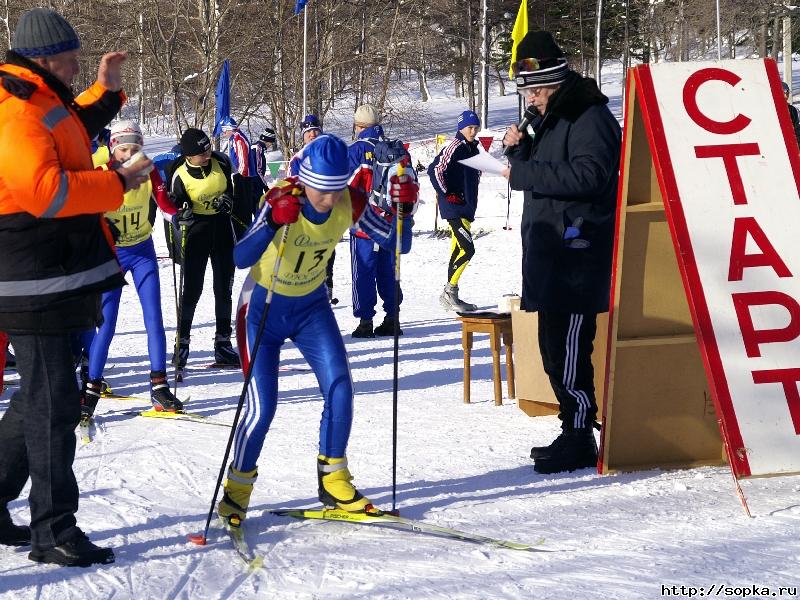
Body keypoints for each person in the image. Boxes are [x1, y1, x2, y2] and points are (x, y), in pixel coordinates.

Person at [0, 7, 151, 566]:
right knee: (53, 404)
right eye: (73, 57)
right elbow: (45, 191)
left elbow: (67, 134)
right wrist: (117, 182)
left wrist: (104, 93)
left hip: (50, 273)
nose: (78, 63)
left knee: (40, 398)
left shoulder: (41, 96)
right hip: (31, 276)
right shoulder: (15, 109)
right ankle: (54, 531)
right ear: (45, 58)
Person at [217, 134, 417, 529]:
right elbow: (240, 257)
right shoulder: (281, 195)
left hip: (310, 307)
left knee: (341, 386)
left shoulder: (350, 200)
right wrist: (272, 220)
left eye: (335, 188)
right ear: (304, 178)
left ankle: (334, 481)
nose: (327, 199)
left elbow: (399, 246)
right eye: (320, 190)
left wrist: (403, 211)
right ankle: (236, 492)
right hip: (262, 307)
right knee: (262, 408)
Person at [502, 31, 621, 475]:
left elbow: (590, 175)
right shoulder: (550, 115)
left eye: (536, 90)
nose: (531, 99)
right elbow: (548, 167)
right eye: (528, 92)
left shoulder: (587, 115)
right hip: (553, 248)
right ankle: (572, 427)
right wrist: (520, 147)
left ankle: (579, 434)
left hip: (577, 252)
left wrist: (524, 170)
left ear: (554, 82)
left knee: (569, 348)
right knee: (554, 347)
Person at [80, 121, 183, 419]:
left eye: (135, 148)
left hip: (142, 251)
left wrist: (178, 211)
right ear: (113, 149)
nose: (129, 154)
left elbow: (164, 202)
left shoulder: (147, 169)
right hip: (112, 256)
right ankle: (91, 388)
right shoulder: (102, 172)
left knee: (154, 318)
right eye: (124, 148)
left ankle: (159, 385)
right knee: (107, 323)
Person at [169, 128, 240, 377]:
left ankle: (223, 343)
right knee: (192, 290)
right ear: (190, 155)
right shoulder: (179, 174)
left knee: (224, 288)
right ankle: (183, 343)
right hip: (196, 232)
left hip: (220, 229)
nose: (208, 154)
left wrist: (229, 201)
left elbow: (232, 190)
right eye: (202, 152)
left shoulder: (220, 162)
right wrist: (182, 214)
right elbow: (173, 209)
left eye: (208, 148)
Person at [347, 104, 412, 337]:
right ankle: (392, 318)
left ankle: (365, 321)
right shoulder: (397, 149)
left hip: (365, 226)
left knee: (363, 271)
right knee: (388, 270)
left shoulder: (356, 150)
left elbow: (347, 187)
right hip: (392, 224)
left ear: (358, 126)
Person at [428, 110, 483, 312]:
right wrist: (447, 193)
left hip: (466, 208)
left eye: (476, 128)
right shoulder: (455, 146)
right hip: (454, 208)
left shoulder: (474, 149)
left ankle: (452, 295)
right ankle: (448, 292)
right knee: (468, 249)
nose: (474, 131)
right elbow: (435, 170)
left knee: (458, 250)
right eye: (470, 128)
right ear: (461, 128)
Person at [289, 115, 338, 304]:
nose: (312, 135)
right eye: (308, 132)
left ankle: (326, 291)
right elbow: (293, 186)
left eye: (315, 131)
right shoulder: (298, 159)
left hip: (328, 216)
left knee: (327, 257)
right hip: (305, 217)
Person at [220, 116, 260, 226]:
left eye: (224, 131)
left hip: (243, 178)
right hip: (241, 177)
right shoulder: (235, 138)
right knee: (240, 207)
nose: (224, 134)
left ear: (229, 129)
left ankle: (244, 229)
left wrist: (238, 178)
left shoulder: (238, 138)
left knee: (243, 208)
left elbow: (243, 161)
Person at [783, 82, 800, 149]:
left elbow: (797, 130)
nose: (786, 96)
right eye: (783, 93)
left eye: (787, 93)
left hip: (791, 146)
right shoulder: (770, 109)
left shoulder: (793, 110)